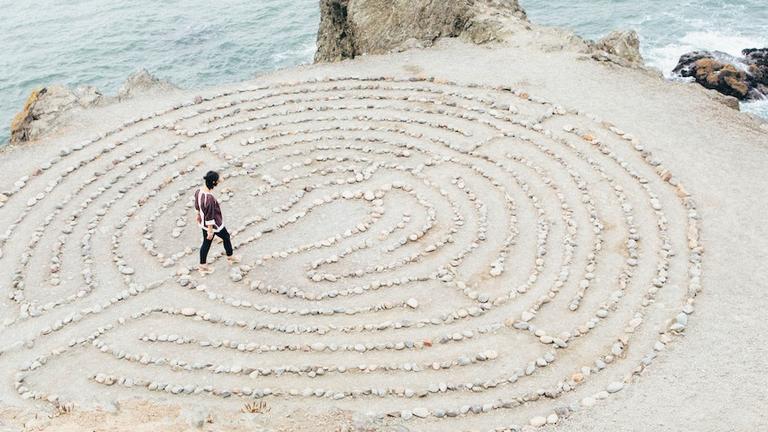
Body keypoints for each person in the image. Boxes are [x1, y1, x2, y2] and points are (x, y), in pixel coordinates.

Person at [194, 171, 239, 274]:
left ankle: (203, 265)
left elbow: (197, 205)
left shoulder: (198, 191)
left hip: (203, 222)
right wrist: (210, 231)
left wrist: (198, 215)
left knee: (207, 243)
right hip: (214, 225)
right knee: (225, 237)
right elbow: (210, 215)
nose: (219, 182)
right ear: (213, 182)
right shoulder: (209, 198)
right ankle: (230, 256)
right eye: (217, 181)